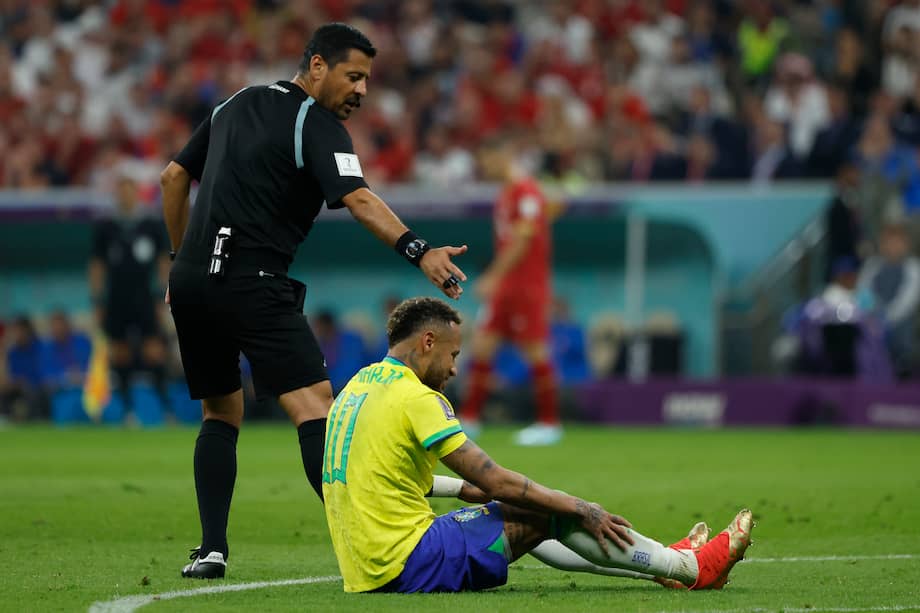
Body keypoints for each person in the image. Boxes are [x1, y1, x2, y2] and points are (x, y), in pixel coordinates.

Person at [159, 23, 468, 579]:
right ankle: (369, 538)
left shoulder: (235, 102)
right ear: (317, 67)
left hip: (193, 284)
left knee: (220, 411)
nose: (362, 90)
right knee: (313, 408)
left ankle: (211, 549)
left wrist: (182, 258)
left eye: (368, 80)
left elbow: (173, 177)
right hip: (253, 279)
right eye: (354, 76)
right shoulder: (314, 123)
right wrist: (420, 251)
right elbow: (357, 197)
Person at [323, 297, 754, 594]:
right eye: (454, 356)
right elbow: (494, 479)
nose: (455, 370)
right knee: (543, 508)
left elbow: (375, 471)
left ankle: (664, 563)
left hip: (365, 567)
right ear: (428, 343)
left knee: (520, 515)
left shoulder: (357, 387)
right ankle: (692, 569)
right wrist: (579, 506)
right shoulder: (417, 398)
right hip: (407, 562)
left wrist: (458, 490)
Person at [459, 136, 561, 446]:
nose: (485, 167)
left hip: (525, 286)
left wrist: (492, 276)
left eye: (488, 160)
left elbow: (522, 240)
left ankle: (549, 423)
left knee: (534, 350)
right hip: (507, 287)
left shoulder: (525, 190)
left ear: (504, 155)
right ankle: (470, 419)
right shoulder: (508, 193)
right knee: (482, 346)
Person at [88, 173, 171, 418]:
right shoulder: (106, 227)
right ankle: (127, 411)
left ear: (136, 193)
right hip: (116, 298)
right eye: (120, 190)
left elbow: (163, 261)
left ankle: (166, 408)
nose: (125, 195)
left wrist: (162, 294)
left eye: (129, 190)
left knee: (153, 350)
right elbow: (97, 265)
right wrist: (98, 300)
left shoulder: (151, 225)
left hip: (145, 297)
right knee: (120, 351)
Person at [858, 221, 920, 378]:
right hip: (872, 330)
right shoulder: (872, 265)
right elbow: (863, 292)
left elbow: (907, 300)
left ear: (905, 244)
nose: (892, 247)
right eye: (888, 242)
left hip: (900, 334)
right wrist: (873, 316)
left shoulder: (913, 267)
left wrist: (887, 318)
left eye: (896, 242)